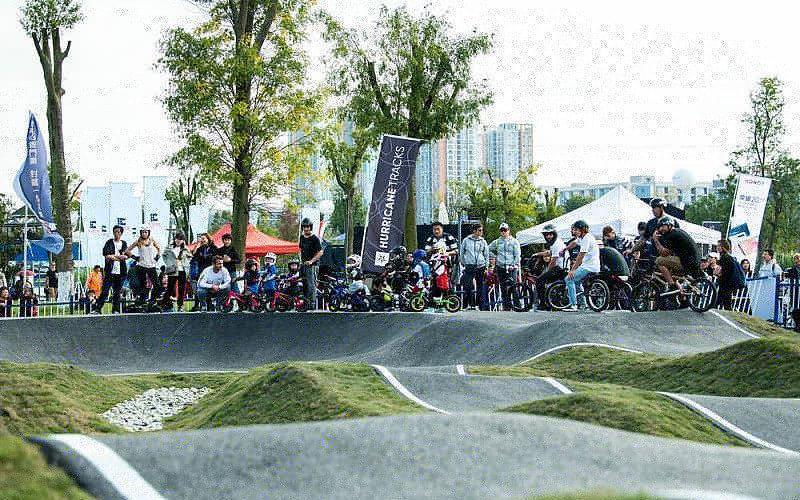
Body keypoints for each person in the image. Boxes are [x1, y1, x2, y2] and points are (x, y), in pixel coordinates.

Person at [652, 216, 703, 289]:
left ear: (669, 225)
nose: (661, 229)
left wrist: (655, 240)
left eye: (663, 226)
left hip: (687, 262)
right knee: (672, 273)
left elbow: (664, 253)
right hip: (694, 261)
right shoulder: (678, 232)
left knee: (659, 261)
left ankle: (671, 285)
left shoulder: (671, 235)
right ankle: (680, 293)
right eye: (659, 227)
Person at [563, 220, 600, 312]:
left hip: (589, 267)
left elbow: (580, 256)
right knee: (576, 282)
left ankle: (573, 305)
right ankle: (583, 303)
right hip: (592, 266)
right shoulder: (583, 237)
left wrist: (572, 270)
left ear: (582, 230)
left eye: (576, 230)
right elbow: (574, 243)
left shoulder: (586, 239)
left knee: (568, 279)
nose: (574, 232)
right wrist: (565, 249)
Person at [488, 223, 522, 311]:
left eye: (505, 230)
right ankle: (506, 307)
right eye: (501, 230)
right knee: (503, 288)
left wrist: (514, 265)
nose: (503, 232)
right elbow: (488, 249)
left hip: (511, 267)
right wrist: (494, 257)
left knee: (513, 287)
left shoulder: (514, 241)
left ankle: (517, 306)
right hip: (501, 267)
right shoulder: (497, 242)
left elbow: (517, 255)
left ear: (508, 230)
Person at [95, 225, 128, 314]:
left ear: (121, 233)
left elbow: (125, 256)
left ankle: (115, 309)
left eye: (118, 232)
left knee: (117, 292)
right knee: (105, 290)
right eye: (115, 232)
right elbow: (107, 255)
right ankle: (98, 308)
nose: (116, 234)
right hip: (110, 271)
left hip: (121, 272)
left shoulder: (124, 243)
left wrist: (115, 257)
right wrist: (117, 257)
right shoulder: (109, 242)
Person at [125, 225, 161, 306]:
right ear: (140, 233)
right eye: (143, 232)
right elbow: (127, 250)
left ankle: (152, 300)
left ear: (148, 232)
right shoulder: (138, 241)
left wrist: (157, 257)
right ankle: (142, 301)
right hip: (142, 266)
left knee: (157, 285)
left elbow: (159, 248)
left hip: (151, 265)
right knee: (142, 285)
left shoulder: (152, 240)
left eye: (146, 232)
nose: (144, 234)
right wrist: (135, 257)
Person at [534, 224, 567, 310]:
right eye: (546, 235)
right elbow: (549, 252)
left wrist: (547, 271)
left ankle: (543, 304)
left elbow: (553, 260)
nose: (548, 236)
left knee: (539, 281)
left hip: (560, 269)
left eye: (550, 234)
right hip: (560, 267)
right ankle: (550, 301)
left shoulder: (556, 244)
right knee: (543, 280)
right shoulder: (556, 242)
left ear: (554, 234)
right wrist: (537, 254)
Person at [459, 224, 489, 310]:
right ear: (474, 231)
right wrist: (464, 262)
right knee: (467, 285)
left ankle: (478, 305)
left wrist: (486, 266)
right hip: (469, 265)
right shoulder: (466, 240)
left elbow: (486, 254)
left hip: (480, 265)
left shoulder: (483, 241)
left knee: (480, 286)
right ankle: (469, 304)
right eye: (479, 230)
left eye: (482, 230)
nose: (481, 232)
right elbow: (462, 252)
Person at [162, 232, 192, 311]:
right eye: (177, 239)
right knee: (170, 288)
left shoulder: (185, 248)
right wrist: (169, 263)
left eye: (180, 239)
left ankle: (180, 305)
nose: (178, 241)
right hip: (173, 270)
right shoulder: (169, 247)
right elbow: (164, 255)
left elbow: (190, 257)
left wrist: (185, 262)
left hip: (182, 270)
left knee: (182, 289)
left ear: (183, 240)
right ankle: (164, 303)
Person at [714, 239, 746, 310]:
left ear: (723, 247)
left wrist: (719, 277)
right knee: (723, 303)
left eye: (719, 246)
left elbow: (726, 272)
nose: (717, 247)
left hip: (727, 284)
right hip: (727, 284)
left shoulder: (725, 257)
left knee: (723, 303)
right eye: (717, 245)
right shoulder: (727, 256)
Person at [299, 218, 323, 309]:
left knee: (311, 285)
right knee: (303, 284)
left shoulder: (314, 238)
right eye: (304, 227)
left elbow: (320, 252)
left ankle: (312, 304)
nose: (306, 229)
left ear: (310, 227)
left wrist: (312, 261)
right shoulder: (302, 238)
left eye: (308, 227)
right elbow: (301, 250)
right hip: (303, 264)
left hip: (312, 265)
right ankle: (305, 303)